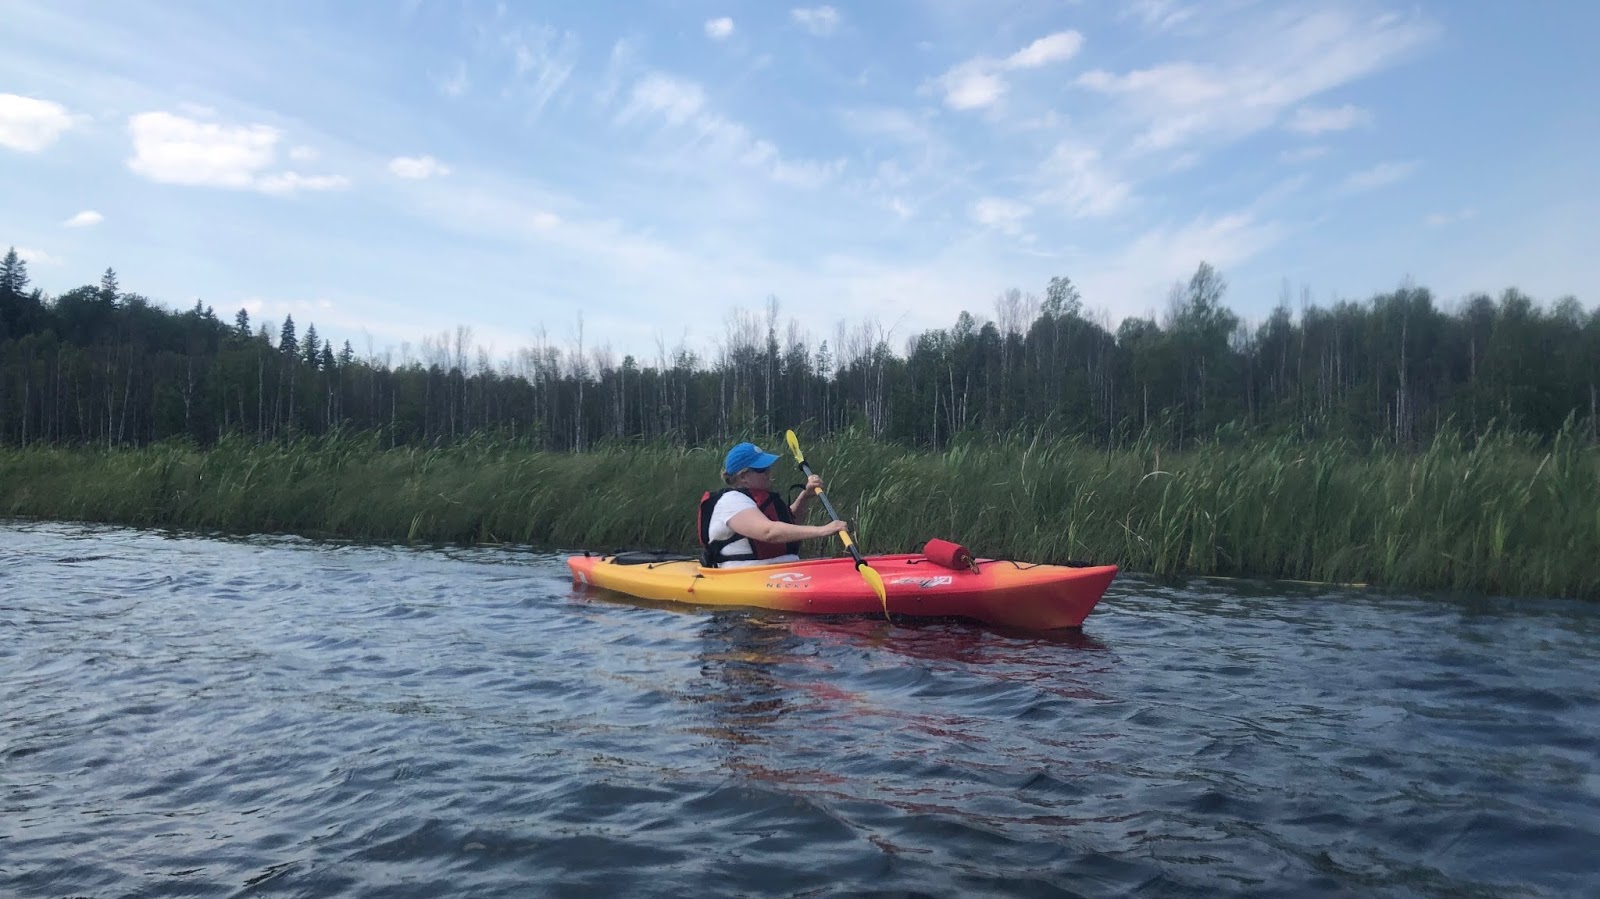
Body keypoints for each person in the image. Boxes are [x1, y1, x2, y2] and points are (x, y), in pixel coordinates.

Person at [698, 441, 847, 568]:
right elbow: (768, 532)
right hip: (747, 575)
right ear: (743, 477)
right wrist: (823, 530)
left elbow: (790, 523)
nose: (768, 472)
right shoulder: (731, 501)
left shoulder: (755, 499)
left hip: (784, 570)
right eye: (762, 469)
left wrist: (805, 496)